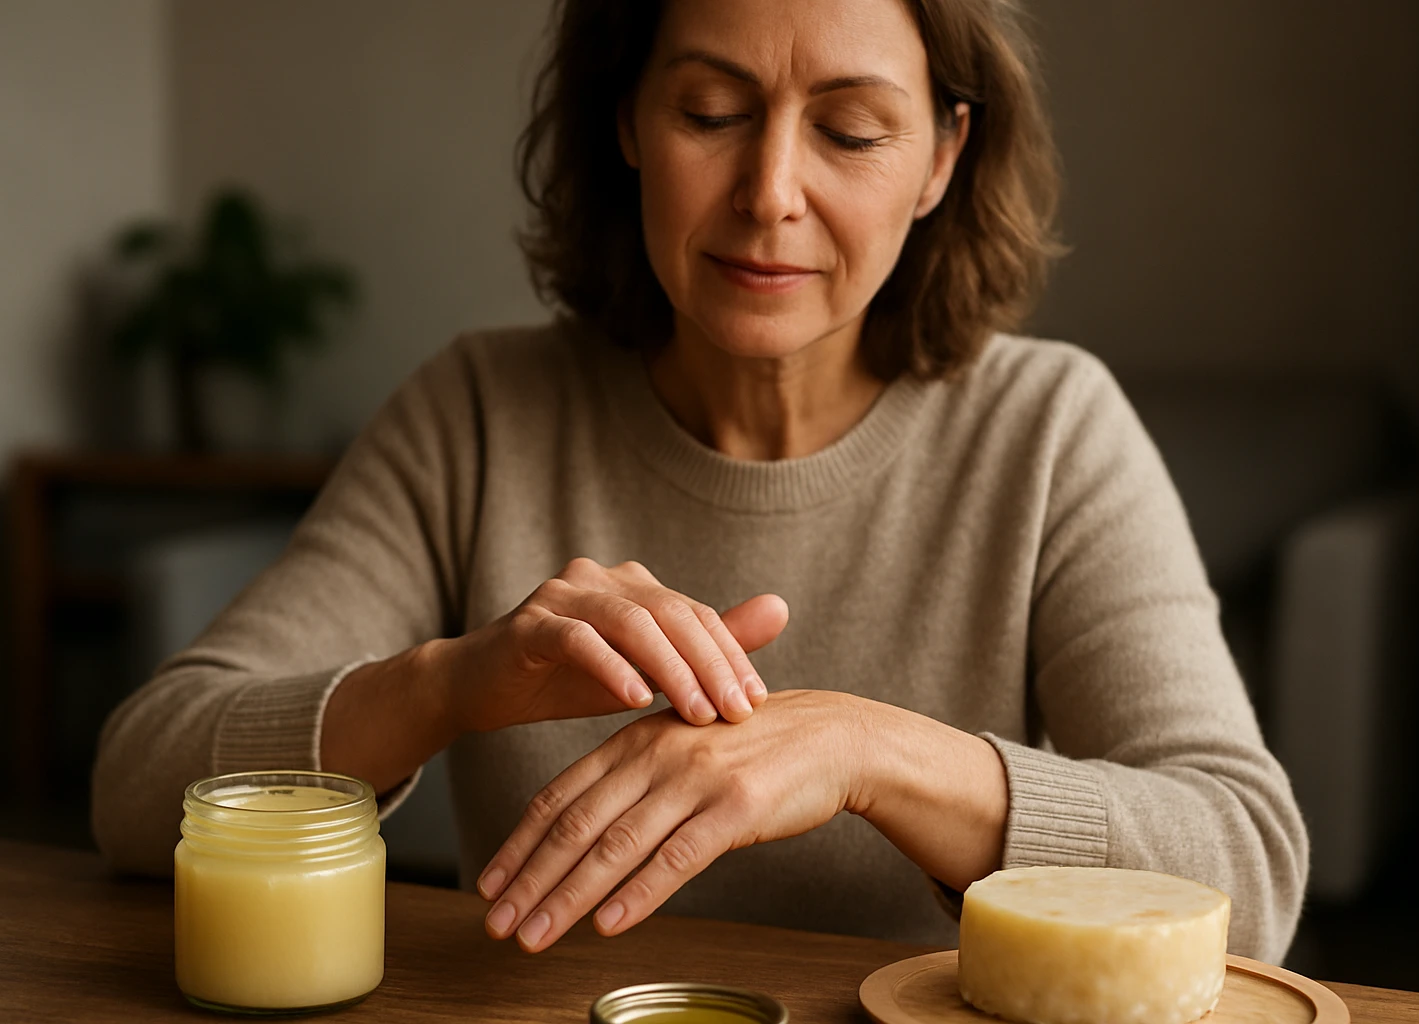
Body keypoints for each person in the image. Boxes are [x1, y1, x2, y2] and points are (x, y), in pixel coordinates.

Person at [92, 0, 1308, 962]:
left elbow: (1248, 872)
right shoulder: (477, 410)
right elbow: (141, 781)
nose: (770, 191)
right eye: (712, 109)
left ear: (941, 157)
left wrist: (860, 751)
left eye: (850, 131)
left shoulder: (1051, 427)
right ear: (627, 120)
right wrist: (450, 681)